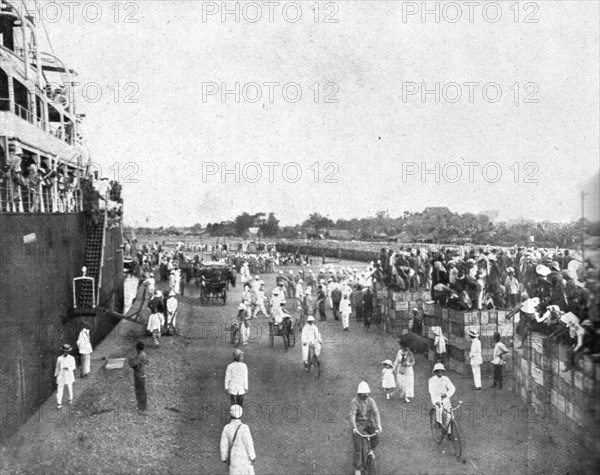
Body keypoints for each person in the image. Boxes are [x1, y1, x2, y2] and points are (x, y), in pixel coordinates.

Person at [349, 381, 382, 475]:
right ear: (359, 394)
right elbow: (352, 415)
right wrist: (354, 427)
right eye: (362, 394)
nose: (364, 395)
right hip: (358, 424)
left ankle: (371, 450)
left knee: (376, 436)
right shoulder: (354, 402)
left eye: (366, 393)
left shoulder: (371, 401)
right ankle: (358, 468)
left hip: (368, 423)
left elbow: (376, 413)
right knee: (358, 447)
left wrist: (379, 425)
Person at [220, 405, 256, 474]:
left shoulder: (227, 428)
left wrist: (224, 457)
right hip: (244, 458)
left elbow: (223, 444)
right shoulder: (244, 427)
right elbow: (249, 443)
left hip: (233, 458)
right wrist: (252, 456)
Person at [128, 341, 149, 412]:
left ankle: (141, 406)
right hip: (143, 373)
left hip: (138, 375)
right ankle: (144, 404)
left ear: (137, 348)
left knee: (139, 390)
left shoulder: (139, 356)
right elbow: (146, 362)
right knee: (143, 390)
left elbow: (133, 364)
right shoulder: (144, 354)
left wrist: (130, 360)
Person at [55, 344, 76, 409]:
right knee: (60, 388)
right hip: (61, 374)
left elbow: (73, 367)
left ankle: (70, 399)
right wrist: (56, 374)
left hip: (69, 374)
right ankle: (59, 403)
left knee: (69, 387)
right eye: (65, 351)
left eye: (67, 351)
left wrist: (68, 368)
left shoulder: (72, 358)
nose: (66, 352)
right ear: (63, 351)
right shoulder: (59, 358)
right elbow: (57, 367)